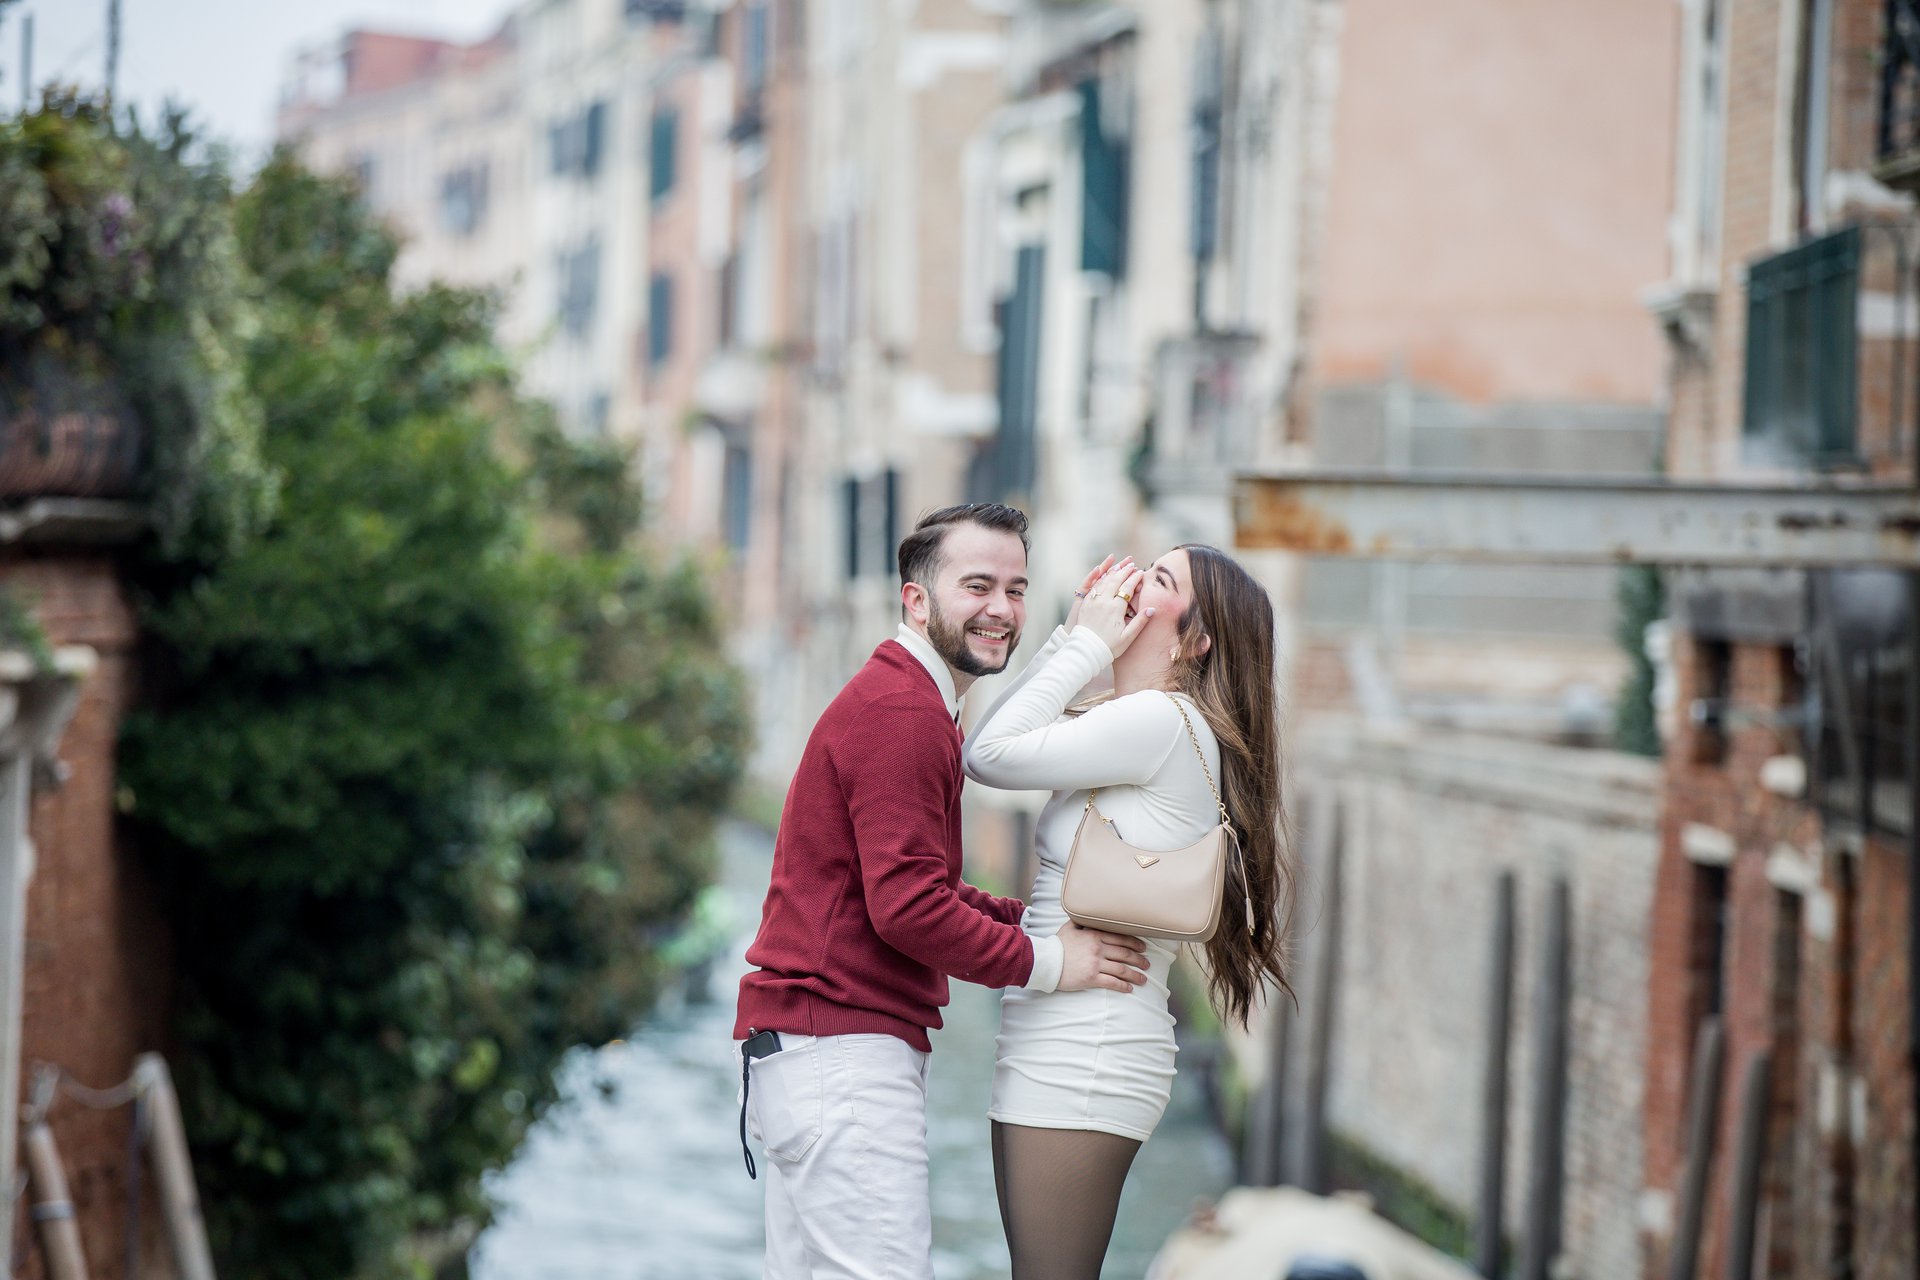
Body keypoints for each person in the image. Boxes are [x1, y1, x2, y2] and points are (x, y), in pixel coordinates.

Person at [733, 502, 1152, 1280]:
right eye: (978, 586)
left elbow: (924, 886)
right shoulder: (903, 711)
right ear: (917, 599)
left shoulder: (910, 701)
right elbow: (910, 909)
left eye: (1018, 590)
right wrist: (1053, 961)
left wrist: (1036, 921)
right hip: (841, 1057)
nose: (1001, 609)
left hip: (809, 1056)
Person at [962, 545, 1298, 1280]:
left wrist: (1078, 641)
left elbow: (987, 754)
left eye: (1162, 580)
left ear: (1196, 639)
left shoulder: (1159, 723)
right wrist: (1069, 644)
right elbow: (1003, 739)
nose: (1134, 580)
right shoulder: (1134, 719)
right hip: (1060, 1036)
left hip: (1086, 1050)